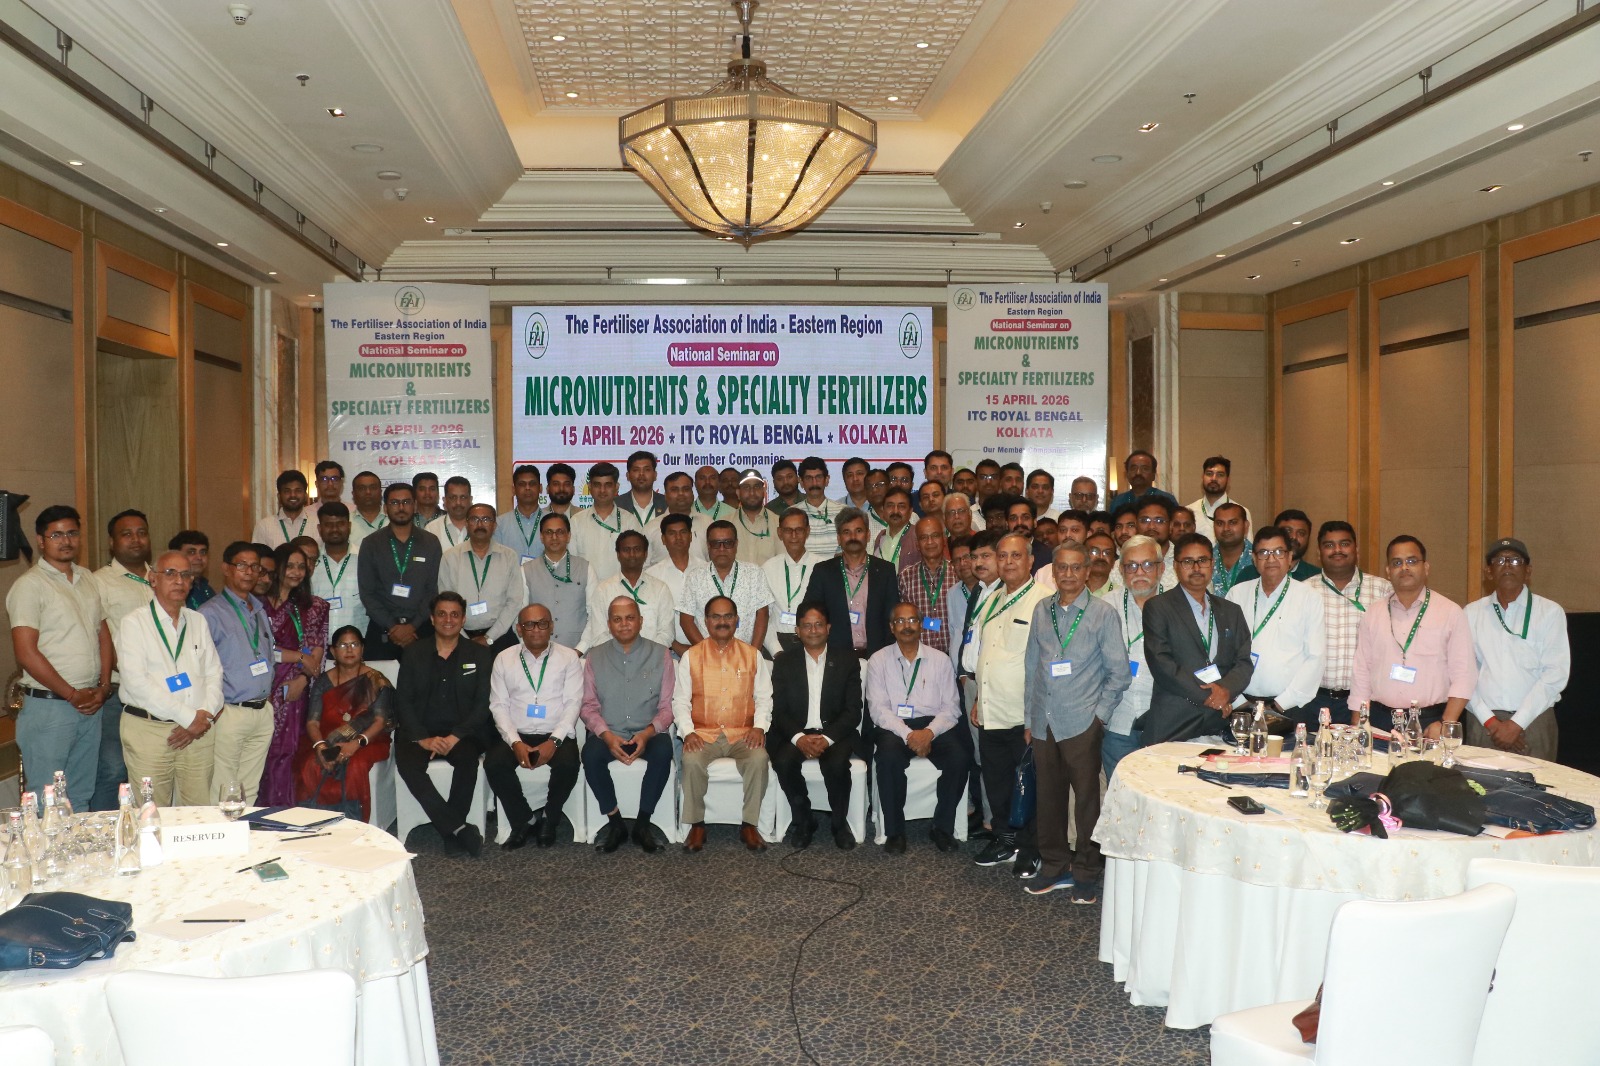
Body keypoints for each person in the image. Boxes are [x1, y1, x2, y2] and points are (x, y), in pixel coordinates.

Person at [1023, 541, 1130, 901]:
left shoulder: (1103, 614)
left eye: (1075, 567)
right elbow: (1032, 668)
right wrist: (1029, 719)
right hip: (1044, 721)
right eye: (1061, 567)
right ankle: (1053, 865)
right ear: (1053, 572)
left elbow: (1119, 674)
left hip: (1083, 722)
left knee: (1087, 803)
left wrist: (1099, 717)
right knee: (1048, 799)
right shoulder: (1042, 609)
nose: (1067, 574)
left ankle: (1086, 871)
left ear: (1087, 571)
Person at [8, 505, 112, 813]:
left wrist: (104, 686)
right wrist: (71, 694)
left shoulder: (87, 578)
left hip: (91, 703)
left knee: (80, 794)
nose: (66, 541)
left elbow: (103, 634)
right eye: (56, 535)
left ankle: (77, 846)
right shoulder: (30, 585)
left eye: (72, 533)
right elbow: (26, 653)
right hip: (50, 708)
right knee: (47, 799)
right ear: (41, 541)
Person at [970, 533, 1052, 878]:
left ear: (1031, 561)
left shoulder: (1044, 600)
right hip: (992, 710)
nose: (1008, 562)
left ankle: (1031, 848)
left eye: (1016, 556)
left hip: (1023, 714)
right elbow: (987, 654)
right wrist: (979, 698)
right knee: (998, 782)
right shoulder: (991, 598)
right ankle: (1005, 839)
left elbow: (1047, 663)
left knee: (1030, 785)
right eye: (1002, 556)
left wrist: (1036, 716)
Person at [116, 550, 223, 805]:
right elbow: (136, 683)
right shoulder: (134, 623)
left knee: (198, 812)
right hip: (149, 731)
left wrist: (203, 716)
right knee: (151, 812)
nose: (179, 580)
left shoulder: (197, 621)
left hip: (198, 732)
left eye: (186, 575)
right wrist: (188, 718)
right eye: (170, 573)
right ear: (153, 579)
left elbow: (214, 673)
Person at [393, 592, 495, 857]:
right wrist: (422, 738)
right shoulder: (413, 653)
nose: (448, 620)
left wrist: (455, 736)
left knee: (468, 761)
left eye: (454, 614)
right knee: (408, 765)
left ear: (463, 620)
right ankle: (457, 828)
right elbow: (403, 700)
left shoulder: (480, 654)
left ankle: (451, 830)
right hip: (420, 731)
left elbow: (483, 704)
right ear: (432, 618)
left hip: (463, 732)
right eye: (442, 614)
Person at [1348, 536, 1477, 738]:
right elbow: (1361, 672)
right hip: (1379, 720)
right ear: (1388, 571)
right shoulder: (1373, 613)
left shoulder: (1450, 613)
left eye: (1411, 561)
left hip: (1430, 721)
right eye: (1397, 562)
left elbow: (1464, 675)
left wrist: (1446, 723)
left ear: (1426, 567)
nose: (1404, 568)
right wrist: (1358, 723)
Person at [868, 602, 970, 854]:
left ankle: (942, 828)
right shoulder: (878, 660)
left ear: (921, 625)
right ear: (892, 627)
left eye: (912, 620)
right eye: (900, 621)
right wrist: (909, 735)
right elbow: (878, 709)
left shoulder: (940, 660)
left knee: (959, 758)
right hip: (894, 727)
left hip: (933, 725)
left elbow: (951, 707)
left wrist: (929, 733)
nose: (907, 626)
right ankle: (894, 831)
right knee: (888, 759)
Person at [673, 596, 772, 852]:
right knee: (692, 759)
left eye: (728, 616)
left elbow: (764, 697)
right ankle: (697, 825)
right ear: (706, 621)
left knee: (759, 758)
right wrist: (688, 733)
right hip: (703, 734)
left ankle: (749, 825)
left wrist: (759, 727)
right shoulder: (691, 657)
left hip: (742, 734)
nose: (722, 622)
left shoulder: (752, 655)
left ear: (737, 620)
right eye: (716, 617)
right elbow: (680, 702)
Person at [580, 596, 677, 853]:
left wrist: (647, 733)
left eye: (630, 618)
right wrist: (606, 735)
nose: (624, 624)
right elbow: (588, 706)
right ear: (609, 624)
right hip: (609, 733)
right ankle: (616, 823)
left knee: (664, 750)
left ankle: (643, 824)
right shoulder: (595, 656)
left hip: (648, 732)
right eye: (617, 619)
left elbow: (668, 707)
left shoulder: (661, 654)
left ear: (641, 621)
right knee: (590, 754)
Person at [484, 603, 583, 849]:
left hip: (556, 732)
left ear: (551, 627)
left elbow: (573, 703)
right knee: (494, 764)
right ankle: (523, 821)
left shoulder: (569, 658)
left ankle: (550, 818)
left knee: (569, 764)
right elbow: (498, 705)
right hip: (517, 732)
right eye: (529, 624)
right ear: (519, 629)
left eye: (542, 623)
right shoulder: (504, 658)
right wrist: (515, 742)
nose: (536, 629)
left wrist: (555, 741)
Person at [1140, 533, 1254, 744]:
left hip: (1219, 722)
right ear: (1176, 566)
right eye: (1187, 561)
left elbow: (1243, 662)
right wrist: (1212, 697)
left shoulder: (1231, 611)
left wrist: (1226, 691)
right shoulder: (1158, 607)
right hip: (1174, 721)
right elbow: (1162, 664)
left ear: (1212, 564)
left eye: (1202, 560)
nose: (1196, 567)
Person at [1464, 538, 1570, 761]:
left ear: (1528, 570)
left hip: (1535, 720)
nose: (1507, 565)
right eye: (1499, 560)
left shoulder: (1550, 612)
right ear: (1488, 572)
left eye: (1515, 560)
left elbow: (1555, 675)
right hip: (1484, 723)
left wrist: (1516, 723)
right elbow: (1463, 674)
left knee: (1539, 784)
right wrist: (1490, 722)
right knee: (1480, 783)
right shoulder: (1470, 614)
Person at [768, 601, 862, 850]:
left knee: (837, 764)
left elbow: (853, 710)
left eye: (818, 624)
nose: (813, 630)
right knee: (783, 762)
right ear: (797, 631)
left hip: (835, 733)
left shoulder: (847, 660)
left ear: (828, 628)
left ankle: (839, 825)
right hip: (796, 732)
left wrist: (827, 739)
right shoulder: (785, 662)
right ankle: (804, 821)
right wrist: (798, 738)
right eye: (807, 626)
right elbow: (778, 710)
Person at [198, 542, 278, 804]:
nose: (249, 572)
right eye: (242, 565)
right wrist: (215, 708)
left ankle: (244, 829)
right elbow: (199, 665)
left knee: (249, 788)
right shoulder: (209, 613)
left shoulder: (259, 609)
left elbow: (267, 654)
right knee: (223, 787)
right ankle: (220, 832)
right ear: (226, 569)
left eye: (255, 567)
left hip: (261, 710)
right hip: (229, 711)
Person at [1225, 527, 1325, 733]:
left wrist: (1279, 705)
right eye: (1264, 552)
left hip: (1289, 707)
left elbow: (1315, 658)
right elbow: (1223, 652)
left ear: (1289, 557)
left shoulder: (1309, 597)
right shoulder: (1237, 594)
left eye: (1278, 552)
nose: (1271, 559)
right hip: (1241, 705)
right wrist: (1238, 701)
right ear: (1254, 559)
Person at [90, 508, 153, 810]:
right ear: (111, 542)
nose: (135, 539)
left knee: (150, 772)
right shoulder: (98, 582)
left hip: (161, 694)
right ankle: (105, 832)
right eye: (126, 534)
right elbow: (98, 637)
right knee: (113, 769)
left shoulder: (163, 578)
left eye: (141, 533)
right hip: (118, 693)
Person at [299, 625, 393, 822]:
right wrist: (321, 746)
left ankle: (352, 820)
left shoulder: (376, 680)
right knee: (310, 764)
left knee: (355, 765)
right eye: (343, 645)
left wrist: (355, 744)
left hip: (369, 740)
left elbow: (380, 721)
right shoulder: (323, 681)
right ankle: (317, 820)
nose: (349, 650)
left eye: (354, 644)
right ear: (333, 651)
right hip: (328, 738)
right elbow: (312, 722)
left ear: (362, 648)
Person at [258, 542, 328, 804]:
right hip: (262, 685)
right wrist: (298, 656)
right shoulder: (258, 605)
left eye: (302, 566)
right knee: (260, 750)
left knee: (287, 751)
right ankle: (257, 811)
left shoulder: (313, 606)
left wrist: (303, 679)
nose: (297, 572)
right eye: (290, 566)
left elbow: (317, 647)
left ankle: (283, 811)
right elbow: (261, 648)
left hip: (295, 688)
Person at [1313, 521, 1392, 728]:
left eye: (1344, 544)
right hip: (1313, 700)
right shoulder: (1304, 591)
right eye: (1329, 545)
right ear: (1318, 552)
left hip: (1366, 701)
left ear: (1356, 549)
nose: (1337, 550)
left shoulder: (1383, 590)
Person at [357, 482, 443, 661]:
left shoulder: (431, 542)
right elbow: (367, 593)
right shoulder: (371, 544)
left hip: (422, 629)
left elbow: (432, 590)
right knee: (379, 679)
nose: (401, 507)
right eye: (395, 503)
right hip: (382, 630)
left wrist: (412, 626)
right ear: (385, 508)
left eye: (406, 502)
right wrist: (392, 626)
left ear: (415, 506)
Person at [804, 507, 898, 665]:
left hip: (878, 658)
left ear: (868, 535)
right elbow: (811, 612)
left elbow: (892, 616)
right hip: (835, 659)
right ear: (839, 538)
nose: (853, 537)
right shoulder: (823, 571)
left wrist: (889, 654)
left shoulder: (885, 570)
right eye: (846, 532)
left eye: (858, 531)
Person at [1104, 535, 1162, 777]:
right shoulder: (1104, 607)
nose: (1139, 572)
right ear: (1121, 570)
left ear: (1161, 568)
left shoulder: (1176, 606)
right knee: (1120, 794)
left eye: (1147, 564)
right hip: (1118, 720)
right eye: (1131, 566)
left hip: (1164, 724)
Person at [439, 504, 526, 651]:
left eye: (486, 519)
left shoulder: (509, 556)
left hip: (500, 636)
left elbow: (514, 601)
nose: (480, 524)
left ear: (494, 525)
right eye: (474, 519)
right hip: (460, 637)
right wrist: (464, 639)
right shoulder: (450, 557)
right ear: (467, 524)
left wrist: (489, 637)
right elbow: (445, 602)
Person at [679, 521, 771, 648]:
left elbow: (763, 615)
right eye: (716, 543)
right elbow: (686, 620)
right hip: (707, 654)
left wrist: (752, 654)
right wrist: (708, 652)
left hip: (746, 653)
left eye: (728, 543)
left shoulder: (754, 573)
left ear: (736, 544)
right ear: (708, 546)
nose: (722, 549)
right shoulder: (695, 577)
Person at [579, 530, 673, 652]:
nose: (632, 554)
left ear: (645, 554)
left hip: (651, 658)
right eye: (626, 550)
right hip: (613, 659)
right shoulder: (603, 590)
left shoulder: (660, 589)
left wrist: (646, 655)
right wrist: (621, 654)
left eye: (637, 549)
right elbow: (598, 634)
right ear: (618, 555)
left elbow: (666, 633)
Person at [522, 512, 590, 649]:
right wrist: (530, 648)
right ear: (541, 537)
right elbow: (520, 615)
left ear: (568, 536)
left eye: (560, 532)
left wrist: (581, 649)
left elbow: (595, 614)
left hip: (577, 650)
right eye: (549, 532)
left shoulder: (585, 568)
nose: (554, 537)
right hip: (538, 650)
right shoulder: (526, 570)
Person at [569, 462, 642, 582]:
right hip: (585, 590)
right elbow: (572, 562)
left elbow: (638, 561)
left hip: (620, 589)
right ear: (590, 487)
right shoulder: (576, 522)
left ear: (616, 487)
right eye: (597, 485)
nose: (602, 490)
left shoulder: (630, 521)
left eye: (608, 485)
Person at [644, 513, 700, 656]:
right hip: (668, 651)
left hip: (705, 650)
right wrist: (675, 645)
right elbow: (651, 618)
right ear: (663, 539)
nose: (678, 537)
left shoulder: (706, 570)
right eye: (672, 533)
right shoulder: (652, 575)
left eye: (683, 532)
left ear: (691, 536)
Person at [314, 502, 369, 640]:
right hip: (318, 645)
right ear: (319, 529)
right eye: (328, 525)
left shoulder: (365, 558)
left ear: (349, 526)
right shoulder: (311, 561)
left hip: (358, 643)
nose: (335, 529)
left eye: (340, 524)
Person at [899, 516, 955, 654]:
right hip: (919, 656)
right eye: (924, 537)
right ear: (917, 544)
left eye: (935, 536)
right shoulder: (906, 577)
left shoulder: (957, 573)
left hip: (952, 656)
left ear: (944, 539)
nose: (930, 542)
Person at [762, 509, 812, 656]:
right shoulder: (768, 568)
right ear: (780, 533)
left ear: (807, 531)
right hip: (776, 644)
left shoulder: (821, 566)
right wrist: (776, 651)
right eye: (788, 530)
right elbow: (763, 617)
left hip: (813, 643)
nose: (794, 536)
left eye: (799, 530)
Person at [643, 470, 710, 566]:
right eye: (674, 490)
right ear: (665, 495)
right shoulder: (651, 528)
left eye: (686, 489)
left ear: (692, 493)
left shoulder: (708, 523)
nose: (681, 494)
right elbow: (644, 567)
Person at [1238, 509, 1321, 582]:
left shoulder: (1317, 577)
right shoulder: (1249, 574)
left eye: (1301, 533)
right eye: (1288, 531)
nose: (1294, 537)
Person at [1187, 456, 1252, 543]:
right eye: (1209, 474)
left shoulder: (1242, 512)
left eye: (1220, 475)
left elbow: (1248, 548)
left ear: (1228, 479)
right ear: (1202, 477)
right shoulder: (1189, 511)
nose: (1214, 478)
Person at [796, 457, 844, 563]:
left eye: (818, 477)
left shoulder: (843, 512)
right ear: (801, 482)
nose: (814, 483)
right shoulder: (793, 514)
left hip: (835, 572)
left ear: (826, 480)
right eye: (808, 478)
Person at [251, 469, 313, 549]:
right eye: (287, 491)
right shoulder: (264, 526)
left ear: (305, 495)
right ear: (279, 496)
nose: (293, 495)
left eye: (298, 491)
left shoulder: (316, 525)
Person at [495, 464, 544, 560]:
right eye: (522, 484)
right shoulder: (500, 524)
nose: (527, 488)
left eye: (532, 484)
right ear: (513, 490)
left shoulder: (553, 521)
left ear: (540, 488)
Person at [1106, 450, 1178, 513]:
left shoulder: (1167, 500)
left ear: (1153, 475)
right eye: (1133, 468)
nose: (1138, 473)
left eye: (1145, 469)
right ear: (1127, 474)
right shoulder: (1117, 502)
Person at [733, 469, 779, 565]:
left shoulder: (778, 523)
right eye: (746, 487)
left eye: (757, 487)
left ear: (764, 491)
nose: (752, 493)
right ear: (738, 493)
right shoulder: (726, 523)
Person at [871, 486, 921, 570]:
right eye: (890, 506)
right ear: (883, 510)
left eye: (901, 506)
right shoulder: (880, 538)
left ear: (910, 511)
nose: (895, 511)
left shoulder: (918, 536)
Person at [1210, 501, 1253, 596]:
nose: (1226, 528)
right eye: (1220, 523)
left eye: (1233, 523)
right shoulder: (1204, 560)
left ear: (1246, 526)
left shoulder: (1259, 559)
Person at [619, 450, 667, 526]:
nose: (641, 474)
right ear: (628, 476)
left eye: (647, 470)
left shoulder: (667, 503)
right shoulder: (616, 504)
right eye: (636, 470)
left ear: (655, 475)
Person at [171, 530, 216, 608]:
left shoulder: (208, 590)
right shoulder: (172, 589)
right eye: (191, 552)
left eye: (203, 552)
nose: (199, 557)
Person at [425, 476, 473, 548]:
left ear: (470, 500)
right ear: (445, 500)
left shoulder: (480, 528)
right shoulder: (431, 529)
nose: (458, 503)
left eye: (463, 497)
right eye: (453, 497)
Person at [347, 470, 388, 549]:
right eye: (362, 488)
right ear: (353, 494)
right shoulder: (346, 523)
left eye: (373, 488)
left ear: (380, 492)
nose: (368, 492)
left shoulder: (392, 521)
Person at [1085, 531, 1118, 598]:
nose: (1101, 557)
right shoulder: (1072, 590)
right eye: (1094, 552)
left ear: (1113, 561)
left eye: (1107, 553)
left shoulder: (1121, 595)